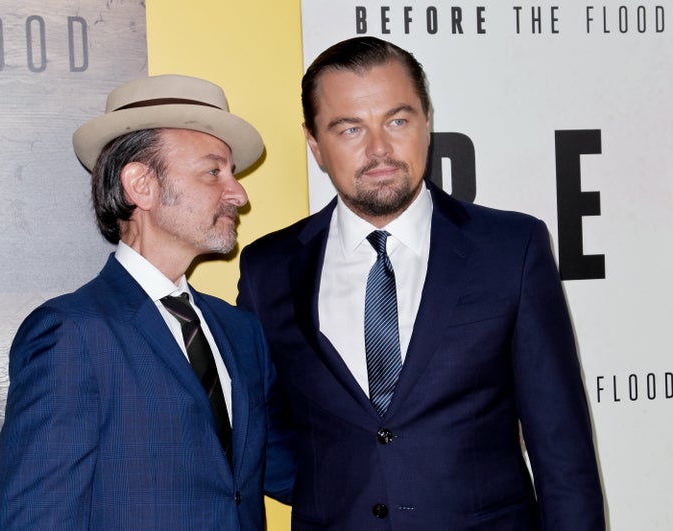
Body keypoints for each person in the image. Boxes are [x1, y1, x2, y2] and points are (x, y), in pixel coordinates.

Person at [237, 37, 605, 530]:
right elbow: (260, 421)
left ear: (427, 121)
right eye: (349, 129)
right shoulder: (269, 267)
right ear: (314, 144)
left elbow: (563, 450)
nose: (379, 149)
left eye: (397, 120)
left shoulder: (511, 249)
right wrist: (334, 487)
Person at [0, 74, 295, 530]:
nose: (239, 194)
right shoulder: (72, 333)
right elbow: (33, 519)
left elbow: (292, 473)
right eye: (214, 171)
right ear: (141, 185)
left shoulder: (241, 332)